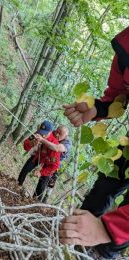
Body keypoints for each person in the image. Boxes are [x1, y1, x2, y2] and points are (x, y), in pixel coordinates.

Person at [61, 26, 129, 258]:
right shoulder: (126, 48)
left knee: (109, 242)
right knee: (104, 186)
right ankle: (72, 247)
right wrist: (96, 108)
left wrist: (108, 231)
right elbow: (118, 96)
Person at [17, 120, 61, 200]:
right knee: (26, 168)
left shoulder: (54, 144)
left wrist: (41, 172)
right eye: (41, 132)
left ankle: (35, 200)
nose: (42, 135)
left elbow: (54, 166)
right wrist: (32, 143)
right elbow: (25, 146)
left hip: (48, 163)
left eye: (44, 133)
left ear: (50, 132)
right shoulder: (38, 134)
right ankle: (18, 185)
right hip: (37, 157)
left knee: (42, 182)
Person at [37, 125, 71, 203]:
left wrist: (42, 140)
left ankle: (46, 197)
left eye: (60, 134)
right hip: (48, 160)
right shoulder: (53, 133)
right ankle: (37, 199)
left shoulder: (67, 143)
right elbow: (42, 129)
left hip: (57, 165)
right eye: (56, 132)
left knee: (51, 183)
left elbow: (57, 148)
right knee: (42, 180)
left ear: (66, 136)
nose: (57, 134)